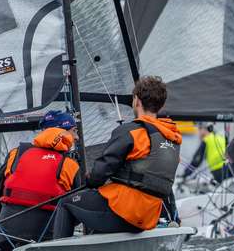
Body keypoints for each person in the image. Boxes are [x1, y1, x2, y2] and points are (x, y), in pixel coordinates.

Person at [52, 76, 182, 239]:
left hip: (122, 212)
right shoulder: (173, 139)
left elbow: (100, 173)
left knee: (65, 203)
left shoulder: (131, 131)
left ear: (136, 100)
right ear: (161, 105)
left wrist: (90, 180)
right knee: (98, 201)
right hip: (148, 218)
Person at [0, 110, 80, 251]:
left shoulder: (16, 154)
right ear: (62, 132)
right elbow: (75, 215)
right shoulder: (70, 165)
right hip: (48, 242)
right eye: (74, 131)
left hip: (7, 239)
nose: (77, 137)